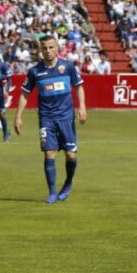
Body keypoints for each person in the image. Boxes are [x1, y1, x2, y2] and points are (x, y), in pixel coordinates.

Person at [14, 35, 87, 204]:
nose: (48, 51)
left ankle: (68, 183)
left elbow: (79, 87)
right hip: (46, 117)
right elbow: (25, 94)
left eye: (51, 47)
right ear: (41, 50)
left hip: (66, 118)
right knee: (49, 152)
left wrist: (82, 106)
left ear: (57, 48)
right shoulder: (35, 71)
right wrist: (18, 116)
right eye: (44, 48)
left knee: (71, 156)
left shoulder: (68, 67)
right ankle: (52, 192)